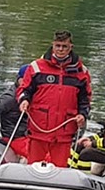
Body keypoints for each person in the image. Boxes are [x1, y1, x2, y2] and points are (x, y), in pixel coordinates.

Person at [16, 30, 91, 168]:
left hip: (64, 131)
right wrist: (24, 100)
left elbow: (85, 99)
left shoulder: (81, 72)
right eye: (58, 46)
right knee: (33, 168)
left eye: (64, 46)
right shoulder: (37, 67)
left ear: (70, 47)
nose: (61, 49)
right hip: (39, 128)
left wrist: (82, 114)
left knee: (60, 170)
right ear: (53, 45)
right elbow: (24, 90)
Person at [0, 65, 31, 159]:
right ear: (19, 78)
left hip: (28, 135)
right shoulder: (10, 98)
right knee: (41, 156)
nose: (27, 83)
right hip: (15, 138)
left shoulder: (30, 94)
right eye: (25, 79)